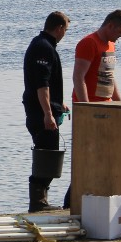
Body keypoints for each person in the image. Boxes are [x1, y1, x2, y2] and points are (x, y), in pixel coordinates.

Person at [22, 11, 70, 212]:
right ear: (59, 28)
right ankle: (38, 202)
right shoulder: (43, 47)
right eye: (65, 30)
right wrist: (48, 114)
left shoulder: (42, 44)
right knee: (47, 155)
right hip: (40, 113)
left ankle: (40, 199)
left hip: (42, 109)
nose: (65, 34)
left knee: (49, 153)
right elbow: (42, 85)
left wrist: (59, 104)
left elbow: (47, 83)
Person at [71, 9, 121, 104]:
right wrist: (86, 106)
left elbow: (109, 76)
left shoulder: (111, 45)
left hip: (106, 103)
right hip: (90, 103)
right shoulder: (89, 43)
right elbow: (78, 77)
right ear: (110, 26)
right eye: (120, 32)